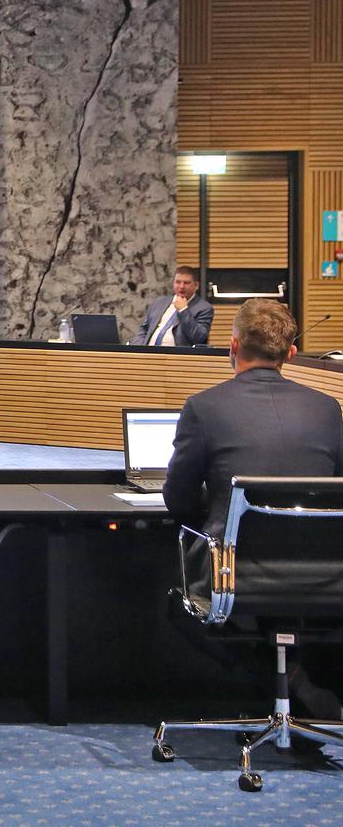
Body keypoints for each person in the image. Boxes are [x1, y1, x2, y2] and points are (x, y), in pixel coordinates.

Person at [162, 298, 343, 718]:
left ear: (233, 346)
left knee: (179, 605)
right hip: (325, 574)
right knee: (279, 593)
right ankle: (298, 686)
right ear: (290, 353)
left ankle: (286, 681)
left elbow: (178, 500)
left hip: (233, 573)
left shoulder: (203, 408)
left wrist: (219, 513)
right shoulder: (327, 409)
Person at [130, 265, 214, 347]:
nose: (181, 286)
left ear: (196, 285)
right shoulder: (159, 302)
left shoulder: (204, 308)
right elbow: (144, 329)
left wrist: (183, 310)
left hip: (177, 354)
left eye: (186, 283)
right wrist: (138, 348)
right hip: (148, 353)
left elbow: (199, 338)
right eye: (178, 282)